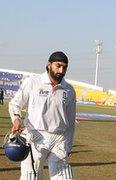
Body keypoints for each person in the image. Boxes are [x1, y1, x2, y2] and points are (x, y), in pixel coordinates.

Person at [8, 51, 76, 180]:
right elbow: (14, 104)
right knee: (31, 177)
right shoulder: (32, 82)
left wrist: (69, 145)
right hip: (35, 136)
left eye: (65, 67)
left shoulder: (69, 89)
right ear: (49, 65)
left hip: (59, 139)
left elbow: (71, 121)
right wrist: (16, 119)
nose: (61, 70)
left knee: (65, 177)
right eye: (58, 65)